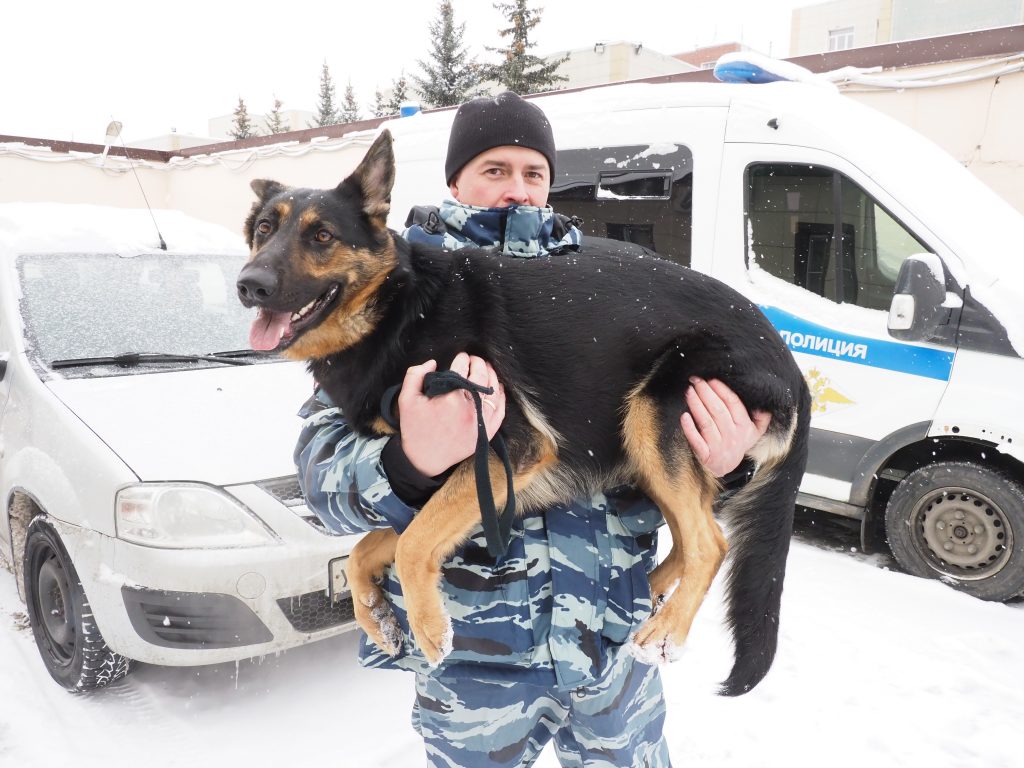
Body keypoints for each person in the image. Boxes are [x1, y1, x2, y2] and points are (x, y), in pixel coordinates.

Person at [295, 92, 769, 768]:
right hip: (475, 670)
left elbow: (655, 455)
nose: (517, 190)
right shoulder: (393, 293)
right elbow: (320, 480)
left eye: (533, 173)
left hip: (613, 650)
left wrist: (729, 464)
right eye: (494, 170)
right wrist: (408, 461)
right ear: (455, 180)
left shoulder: (609, 285)